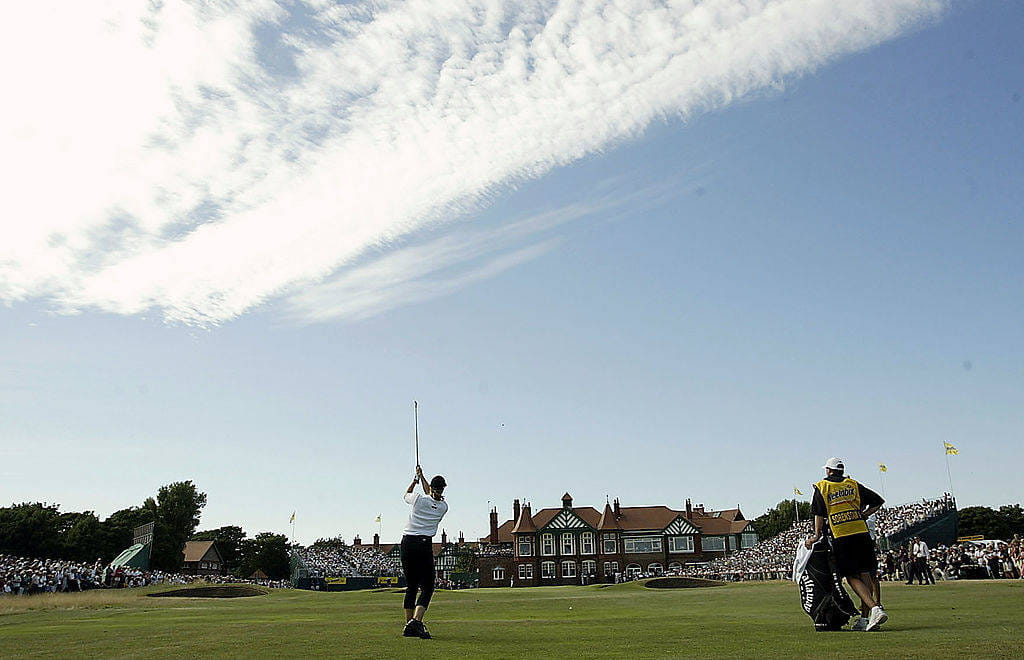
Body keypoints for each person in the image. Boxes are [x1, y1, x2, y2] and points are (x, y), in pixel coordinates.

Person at [805, 458, 888, 631]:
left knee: (851, 576)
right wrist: (863, 515)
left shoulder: (822, 487)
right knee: (865, 573)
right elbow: (878, 501)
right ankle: (865, 619)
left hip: (842, 535)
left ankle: (874, 608)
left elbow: (819, 515)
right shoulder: (852, 484)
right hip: (862, 533)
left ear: (828, 471)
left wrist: (816, 535)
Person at [400, 464, 448, 639]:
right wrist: (423, 477)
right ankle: (416, 622)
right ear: (442, 489)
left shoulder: (419, 499)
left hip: (407, 543)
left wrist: (415, 480)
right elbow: (432, 495)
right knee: (427, 587)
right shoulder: (443, 507)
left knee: (411, 586)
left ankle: (408, 626)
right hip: (424, 544)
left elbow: (406, 495)